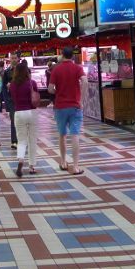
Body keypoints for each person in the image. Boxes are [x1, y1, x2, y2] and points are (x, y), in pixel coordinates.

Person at [48, 46, 87, 174]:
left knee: (62, 135)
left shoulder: (56, 69)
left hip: (60, 107)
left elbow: (50, 88)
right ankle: (75, 166)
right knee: (75, 135)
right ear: (72, 56)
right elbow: (85, 81)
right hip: (75, 106)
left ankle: (63, 162)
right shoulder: (78, 68)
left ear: (62, 55)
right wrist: (81, 100)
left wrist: (56, 91)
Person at [9, 61, 38, 177]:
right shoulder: (32, 83)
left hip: (19, 113)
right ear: (26, 72)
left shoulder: (12, 84)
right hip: (32, 112)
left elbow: (13, 99)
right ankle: (32, 167)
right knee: (32, 140)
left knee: (21, 140)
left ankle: (21, 160)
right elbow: (35, 98)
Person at [1, 52, 20, 148]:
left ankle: (23, 139)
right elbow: (3, 87)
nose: (13, 60)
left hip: (22, 99)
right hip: (11, 100)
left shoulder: (23, 70)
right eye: (12, 58)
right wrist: (6, 102)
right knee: (14, 120)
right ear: (9, 59)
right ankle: (14, 141)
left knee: (23, 120)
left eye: (15, 58)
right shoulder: (7, 71)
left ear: (18, 59)